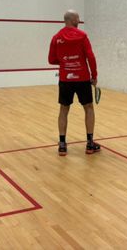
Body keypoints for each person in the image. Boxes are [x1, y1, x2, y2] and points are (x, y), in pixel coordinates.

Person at [48, 10, 99, 156]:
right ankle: (90, 143)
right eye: (78, 18)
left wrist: (65, 62)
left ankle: (62, 145)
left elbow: (51, 60)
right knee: (88, 108)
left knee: (64, 109)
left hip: (65, 79)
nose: (79, 20)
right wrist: (94, 75)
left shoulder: (56, 37)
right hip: (82, 78)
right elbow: (91, 57)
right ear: (73, 20)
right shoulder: (82, 36)